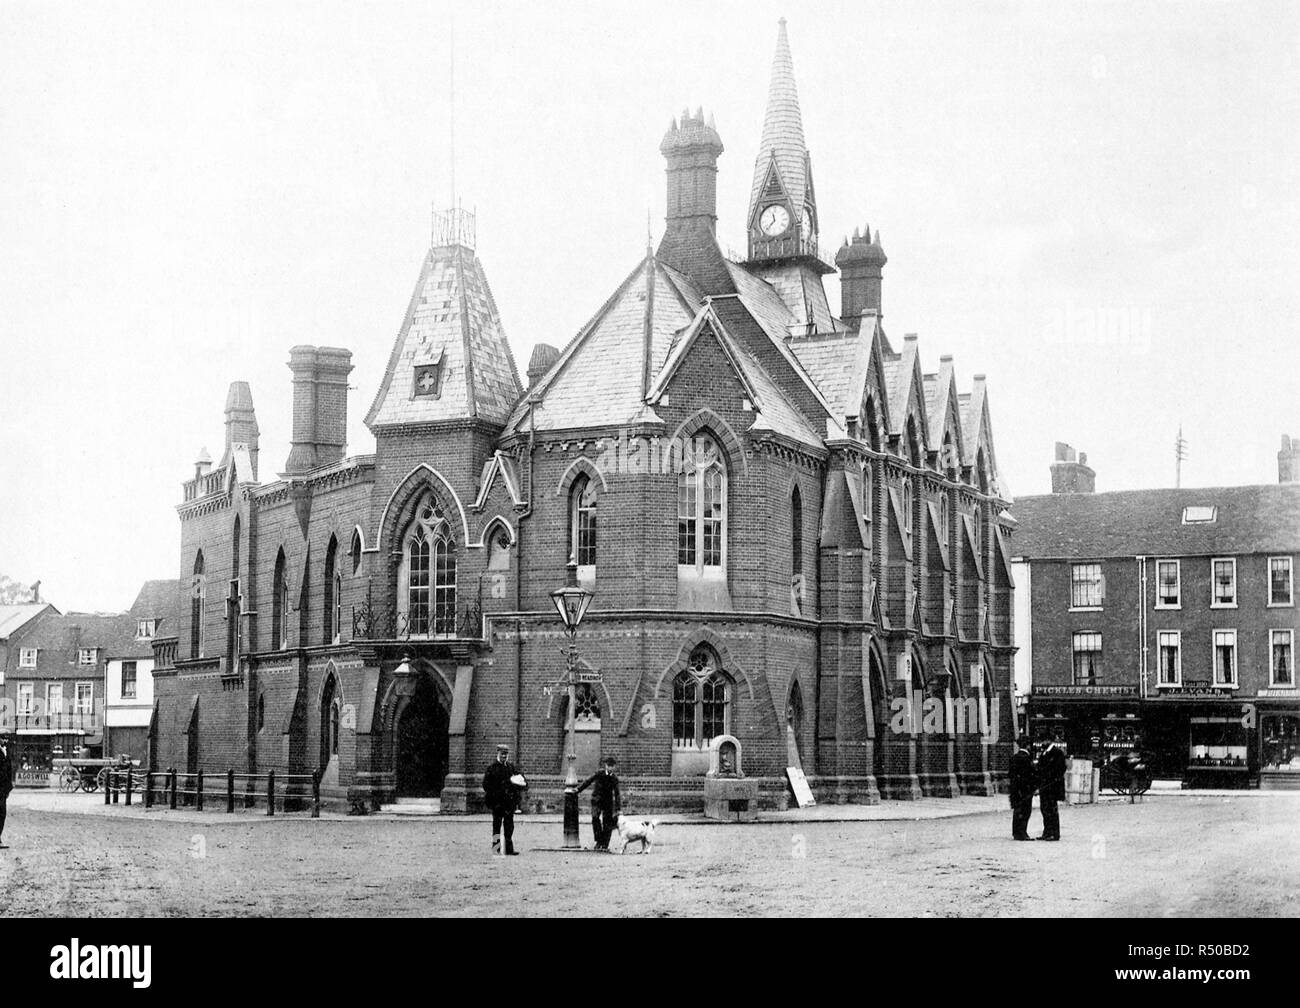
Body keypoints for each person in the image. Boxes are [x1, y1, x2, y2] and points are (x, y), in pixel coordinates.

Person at [482, 744, 523, 855]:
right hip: (497, 803)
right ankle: (496, 848)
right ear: (498, 754)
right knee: (497, 825)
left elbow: (520, 780)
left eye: (506, 754)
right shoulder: (492, 768)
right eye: (502, 754)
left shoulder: (511, 768)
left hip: (509, 803)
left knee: (509, 826)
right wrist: (496, 793)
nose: (504, 756)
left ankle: (509, 849)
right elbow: (486, 785)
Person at [577, 756, 621, 851]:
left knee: (607, 823)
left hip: (608, 802)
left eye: (612, 766)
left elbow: (617, 794)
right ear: (605, 766)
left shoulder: (614, 778)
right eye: (609, 765)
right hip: (597, 800)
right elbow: (588, 781)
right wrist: (578, 790)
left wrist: (618, 808)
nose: (610, 768)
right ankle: (598, 841)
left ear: (614, 767)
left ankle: (605, 844)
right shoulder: (599, 773)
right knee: (595, 818)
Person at [1037, 739, 1067, 841]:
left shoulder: (1057, 753)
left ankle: (1054, 834)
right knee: (1044, 809)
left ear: (1049, 741)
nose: (1043, 743)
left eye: (1044, 740)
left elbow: (1061, 769)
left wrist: (1052, 780)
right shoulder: (1044, 753)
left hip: (1052, 787)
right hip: (1044, 787)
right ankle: (1046, 832)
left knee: (1052, 810)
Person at [1009, 735, 1036, 841]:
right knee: (1025, 811)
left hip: (1016, 789)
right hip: (1025, 790)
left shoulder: (1014, 757)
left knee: (1017, 810)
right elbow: (1030, 776)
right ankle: (1022, 833)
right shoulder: (1027, 758)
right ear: (1028, 746)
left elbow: (1011, 774)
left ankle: (1016, 832)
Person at [0, 737, 13, 849]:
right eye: (3, 738)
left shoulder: (6, 750)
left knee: (2, 813)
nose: (5, 741)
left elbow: (9, 769)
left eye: (6, 739)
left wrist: (8, 788)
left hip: (3, 788)